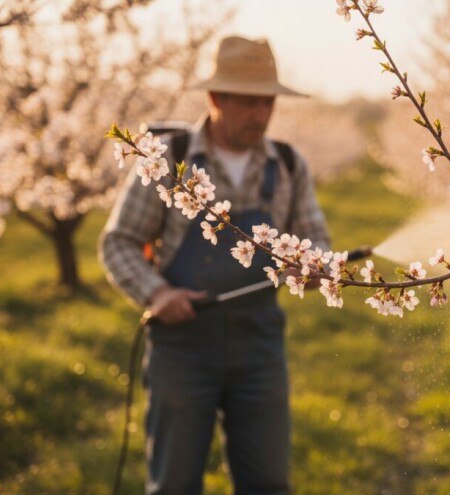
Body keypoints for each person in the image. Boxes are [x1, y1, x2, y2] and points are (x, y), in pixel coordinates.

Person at [99, 35, 330, 495]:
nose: (260, 115)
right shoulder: (167, 162)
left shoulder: (287, 165)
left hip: (260, 347)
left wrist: (313, 264)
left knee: (268, 481)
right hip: (182, 347)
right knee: (175, 483)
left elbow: (315, 240)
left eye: (267, 103)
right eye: (247, 103)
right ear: (215, 97)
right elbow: (118, 242)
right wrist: (157, 294)